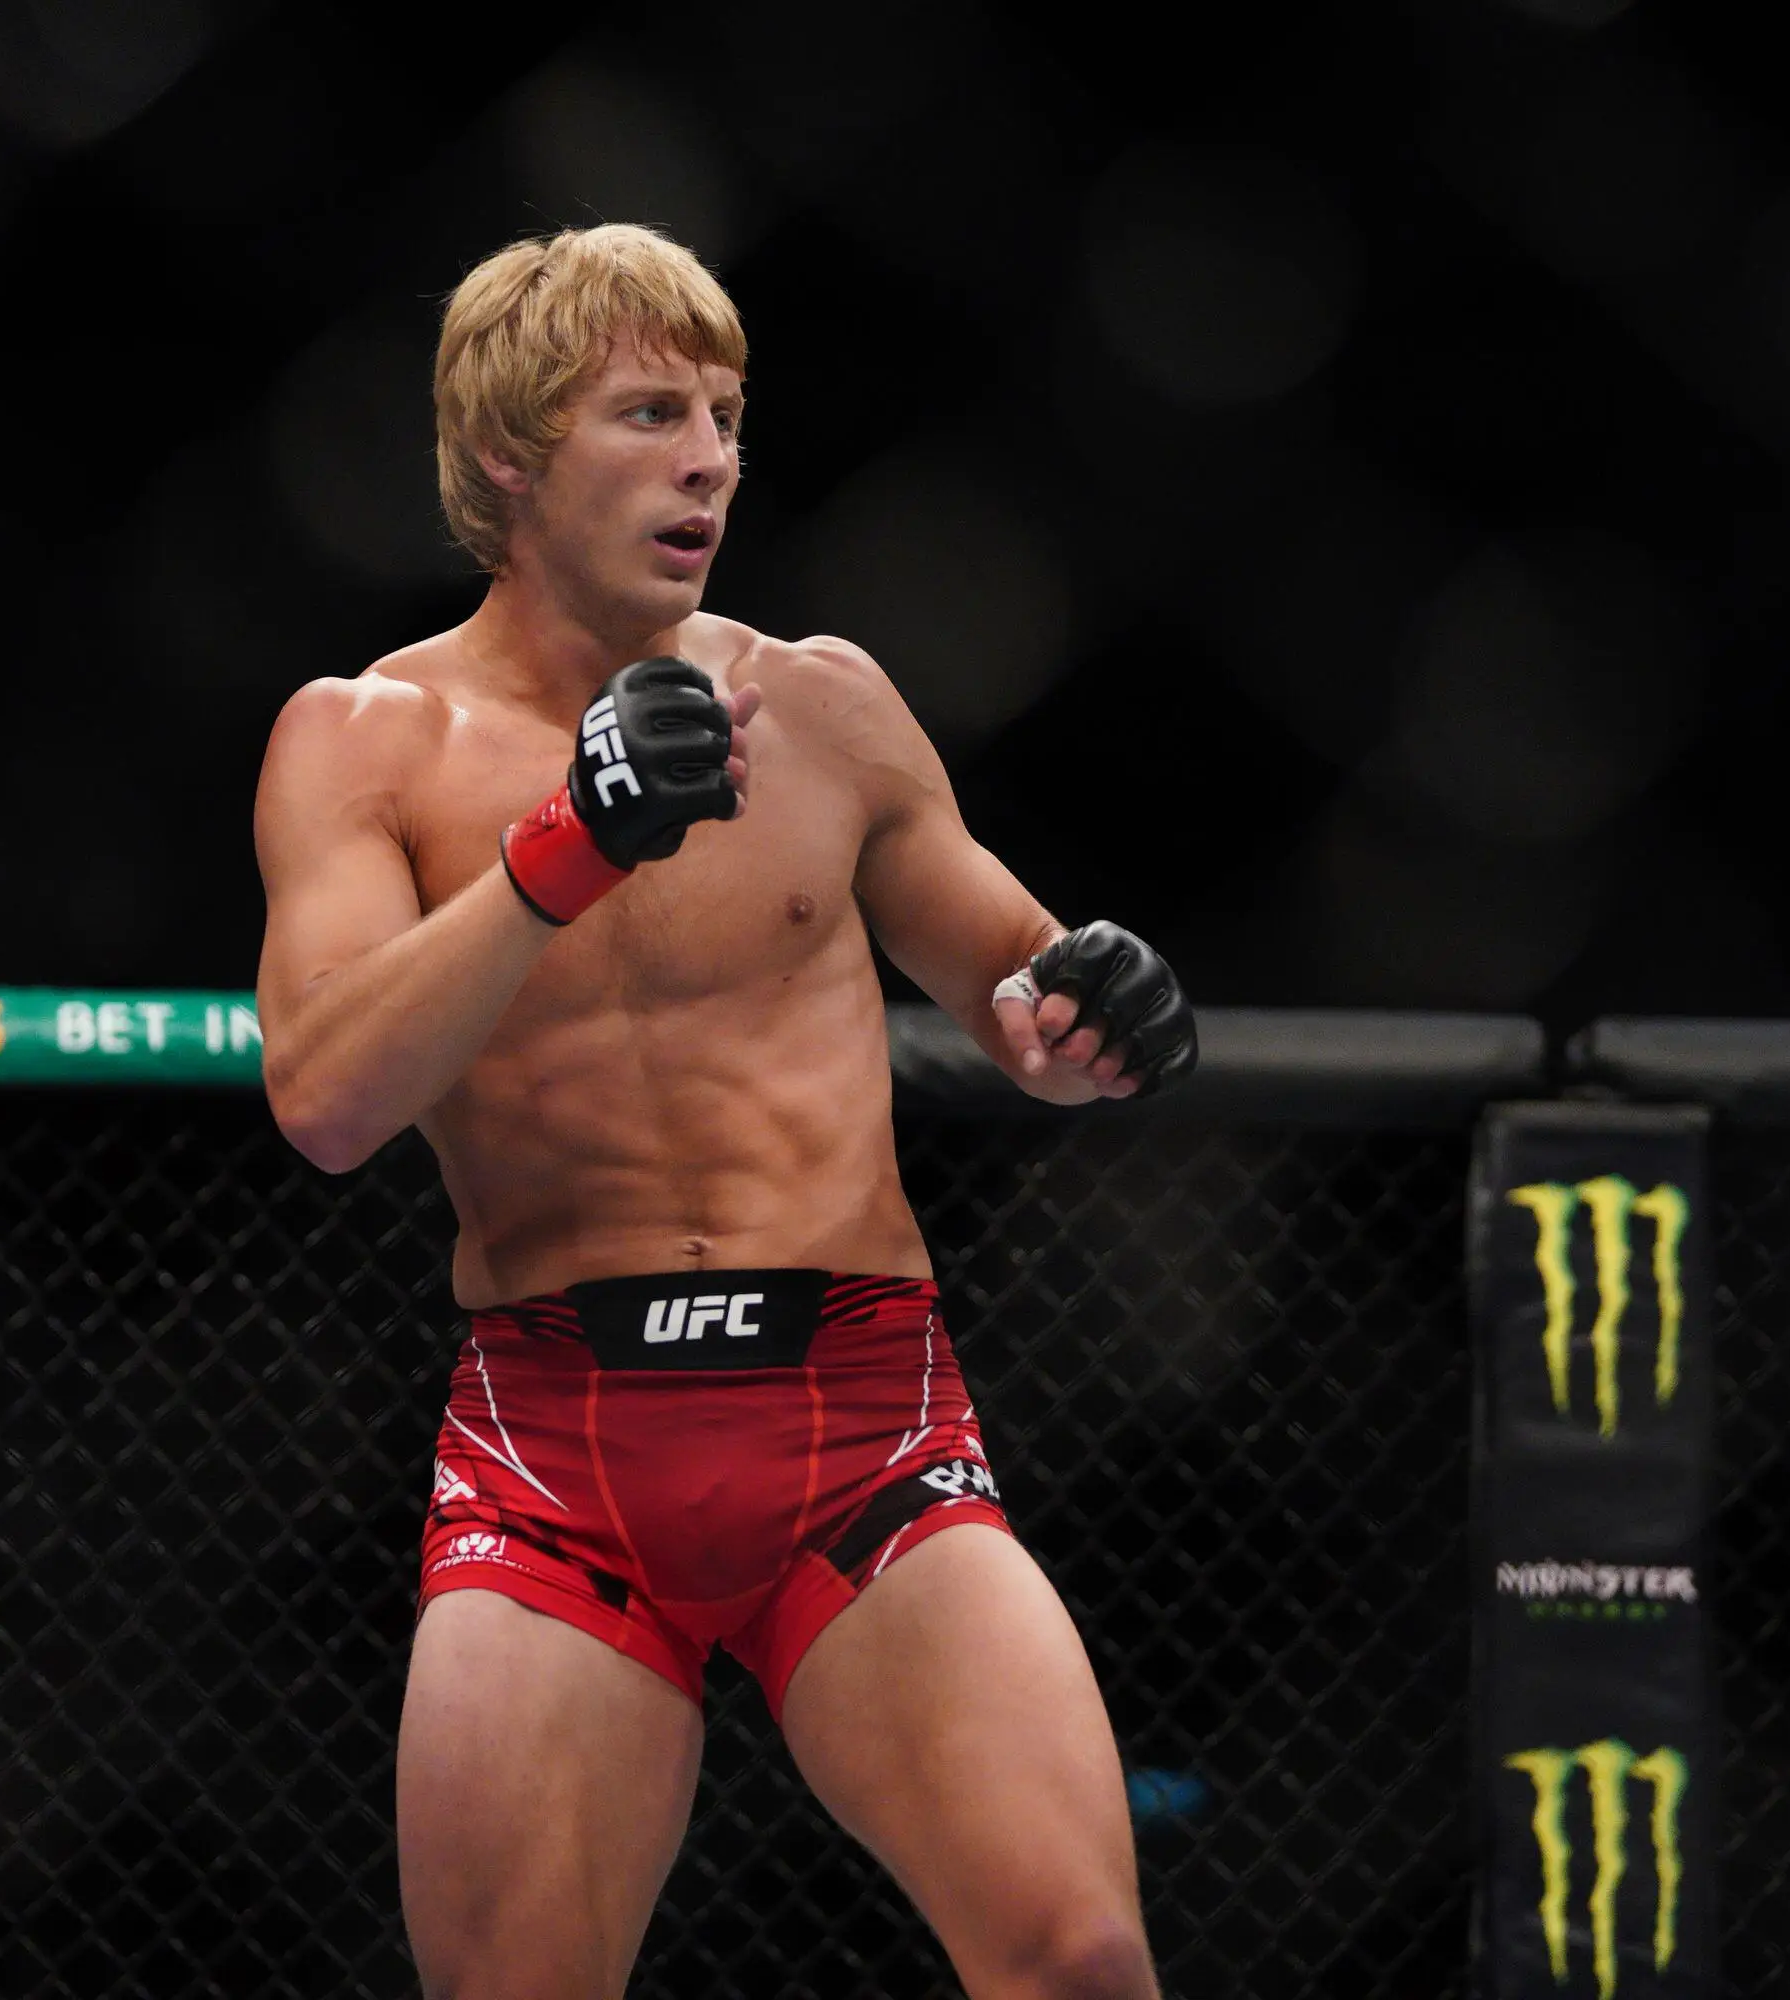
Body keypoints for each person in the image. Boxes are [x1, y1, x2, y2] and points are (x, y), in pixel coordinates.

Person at [251, 222, 1199, 2000]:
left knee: (1076, 1958)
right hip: (557, 1458)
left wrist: (1086, 1009)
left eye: (726, 414)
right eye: (649, 413)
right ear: (511, 458)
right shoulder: (363, 742)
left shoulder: (823, 708)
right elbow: (322, 1097)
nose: (710, 458)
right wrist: (567, 845)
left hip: (867, 1423)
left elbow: (1007, 977)